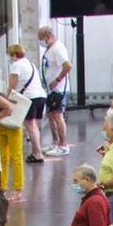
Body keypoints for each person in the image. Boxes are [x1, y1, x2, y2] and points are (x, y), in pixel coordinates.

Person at [5, 42, 45, 169]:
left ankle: (37, 153)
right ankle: (37, 151)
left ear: (15, 54)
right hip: (40, 95)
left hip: (29, 97)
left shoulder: (16, 65)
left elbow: (12, 84)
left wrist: (7, 99)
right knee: (34, 125)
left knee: (30, 125)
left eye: (10, 55)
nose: (10, 58)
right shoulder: (30, 63)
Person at [38, 23, 71, 151]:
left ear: (48, 36)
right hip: (50, 90)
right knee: (51, 115)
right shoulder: (50, 49)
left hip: (58, 89)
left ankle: (63, 144)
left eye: (42, 39)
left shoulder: (58, 48)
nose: (41, 42)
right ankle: (55, 142)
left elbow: (67, 66)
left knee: (57, 115)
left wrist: (57, 80)